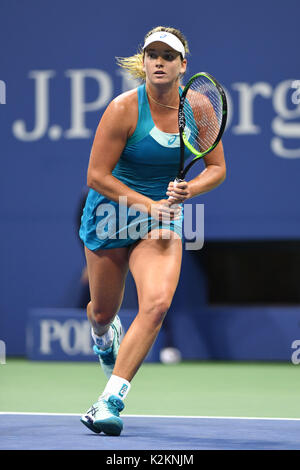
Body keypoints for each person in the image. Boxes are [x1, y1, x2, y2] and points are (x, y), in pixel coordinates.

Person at [79, 26, 226, 436]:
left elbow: (217, 169)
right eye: (152, 54)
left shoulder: (197, 108)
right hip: (110, 215)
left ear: (183, 65)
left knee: (157, 304)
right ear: (143, 62)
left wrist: (188, 188)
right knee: (103, 313)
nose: (159, 61)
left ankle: (109, 400)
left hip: (160, 223)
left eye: (168, 55)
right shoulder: (123, 109)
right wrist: (147, 204)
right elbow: (96, 175)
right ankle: (104, 339)